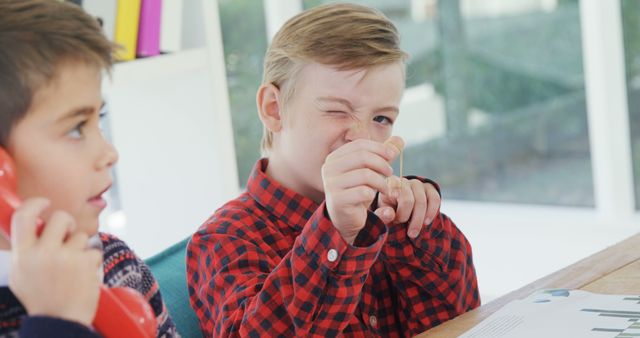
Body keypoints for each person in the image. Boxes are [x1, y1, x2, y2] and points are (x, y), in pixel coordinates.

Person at [187, 3, 480, 337]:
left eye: (381, 118)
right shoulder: (224, 239)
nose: (362, 137)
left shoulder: (387, 215)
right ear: (274, 109)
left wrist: (419, 231)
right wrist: (335, 231)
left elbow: (465, 322)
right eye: (337, 111)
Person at [0, 1, 178, 336]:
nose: (109, 153)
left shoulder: (116, 262)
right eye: (75, 128)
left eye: (100, 119)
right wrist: (57, 323)